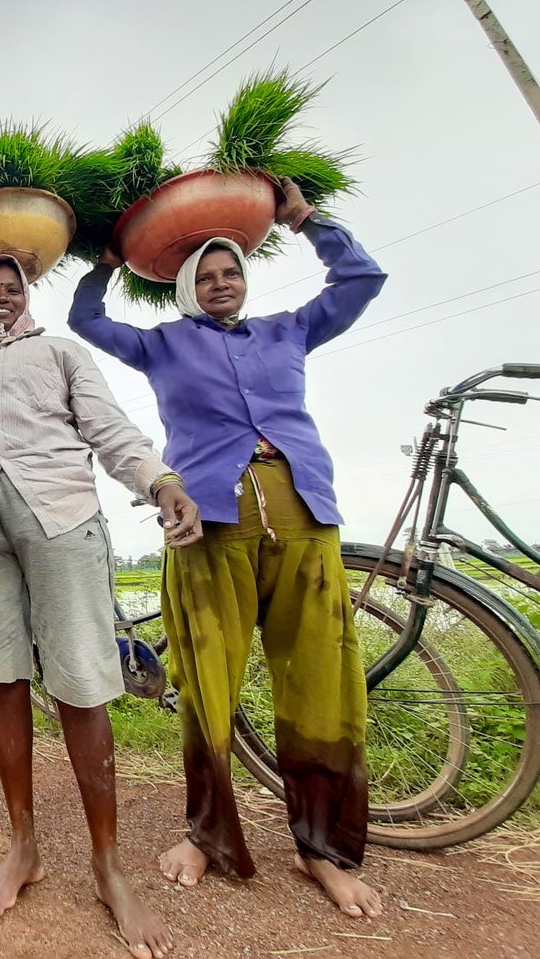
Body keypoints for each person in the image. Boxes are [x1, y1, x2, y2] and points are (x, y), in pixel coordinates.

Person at [68, 178, 387, 919]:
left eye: (231, 272)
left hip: (303, 510)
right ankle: (208, 837)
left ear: (245, 279)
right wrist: (108, 261)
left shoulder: (289, 330)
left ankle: (322, 850)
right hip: (210, 522)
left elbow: (363, 279)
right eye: (205, 276)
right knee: (209, 682)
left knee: (320, 680)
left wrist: (306, 219)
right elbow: (88, 318)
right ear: (185, 286)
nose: (219, 283)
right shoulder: (161, 345)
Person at [0, 251, 199, 959]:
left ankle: (108, 865)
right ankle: (24, 847)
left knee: (82, 682)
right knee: (2, 677)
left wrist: (158, 479)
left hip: (62, 517)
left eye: (9, 288)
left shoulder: (60, 352)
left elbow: (111, 430)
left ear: (26, 294)